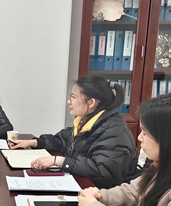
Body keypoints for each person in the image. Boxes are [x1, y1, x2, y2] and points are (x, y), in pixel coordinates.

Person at [9, 75, 137, 189]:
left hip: (102, 198)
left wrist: (59, 161)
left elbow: (101, 171)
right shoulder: (85, 122)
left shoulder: (114, 131)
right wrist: (34, 142)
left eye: (73, 97)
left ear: (91, 102)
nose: (69, 101)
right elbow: (62, 140)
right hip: (82, 187)